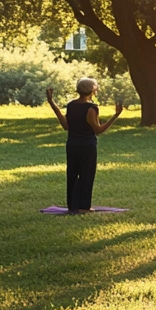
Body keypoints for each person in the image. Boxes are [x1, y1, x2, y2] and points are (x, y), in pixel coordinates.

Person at [46, 79, 122, 213]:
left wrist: (52, 102)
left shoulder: (71, 105)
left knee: (72, 174)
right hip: (87, 146)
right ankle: (84, 207)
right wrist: (115, 115)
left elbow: (65, 126)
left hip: (72, 144)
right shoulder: (91, 108)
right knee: (87, 174)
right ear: (93, 91)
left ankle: (72, 206)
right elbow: (98, 130)